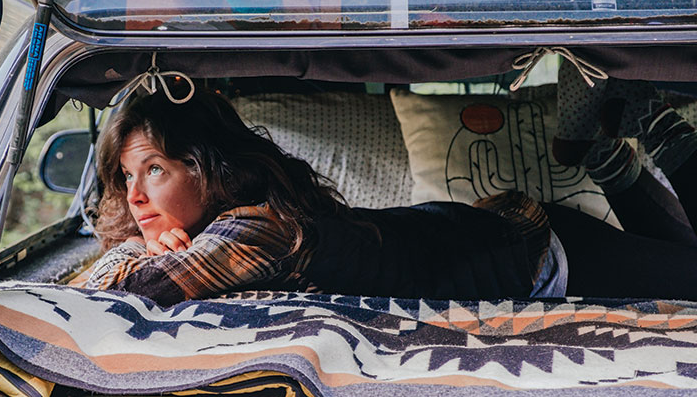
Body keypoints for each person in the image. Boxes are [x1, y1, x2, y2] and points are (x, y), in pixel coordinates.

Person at [84, 81, 697, 307]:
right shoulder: (229, 231)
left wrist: (154, 253)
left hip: (533, 253)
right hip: (489, 231)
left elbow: (115, 294)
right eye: (126, 178)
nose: (135, 196)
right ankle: (619, 146)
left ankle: (655, 136)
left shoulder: (253, 228)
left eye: (154, 170)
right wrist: (158, 245)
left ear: (206, 169)